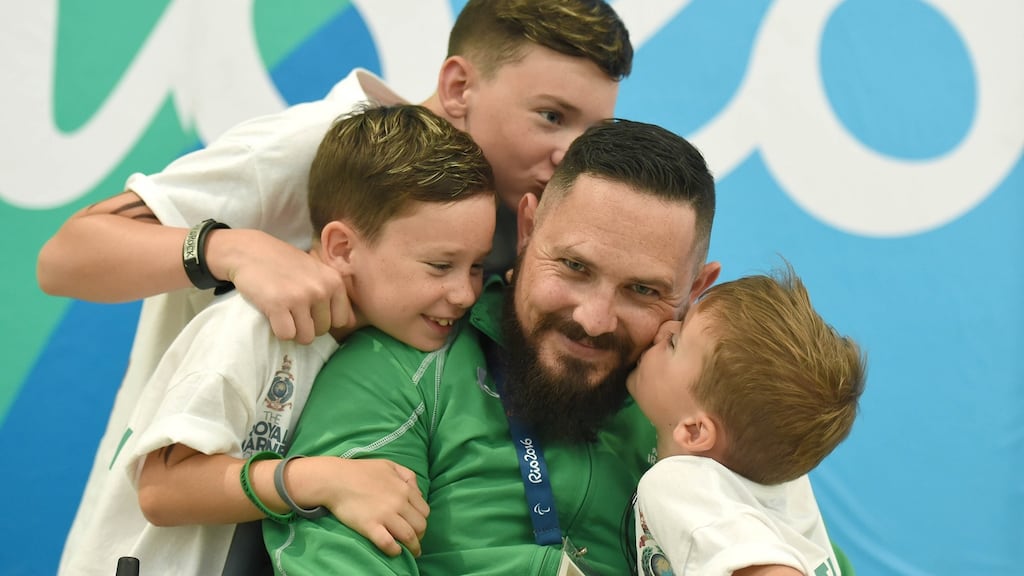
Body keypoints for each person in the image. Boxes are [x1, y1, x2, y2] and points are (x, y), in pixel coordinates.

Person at [35, 2, 633, 573]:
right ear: (458, 87)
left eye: (594, 128)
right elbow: (65, 256)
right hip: (173, 544)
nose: (571, 152)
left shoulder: (509, 209)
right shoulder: (321, 144)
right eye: (551, 117)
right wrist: (235, 249)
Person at [263, 118, 723, 575]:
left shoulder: (726, 412)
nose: (595, 319)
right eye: (574, 266)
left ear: (695, 289)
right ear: (527, 229)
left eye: (642, 290)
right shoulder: (402, 368)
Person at [63, 104, 497, 575]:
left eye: (477, 266)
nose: (464, 293)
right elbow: (161, 490)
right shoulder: (248, 326)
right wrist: (321, 478)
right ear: (342, 248)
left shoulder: (379, 342)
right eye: (440, 265)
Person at [628, 267, 866, 576]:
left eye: (674, 342)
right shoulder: (787, 483)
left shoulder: (679, 485)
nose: (663, 329)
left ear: (695, 430)